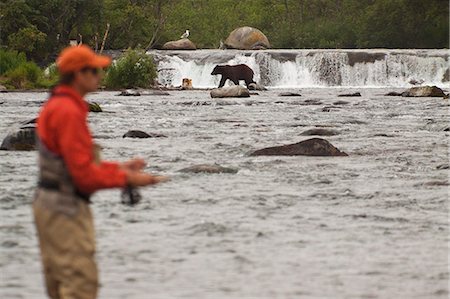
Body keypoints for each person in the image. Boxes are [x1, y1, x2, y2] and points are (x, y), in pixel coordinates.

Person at [33, 45, 168, 299]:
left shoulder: (58, 104)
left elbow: (75, 163)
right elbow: (82, 176)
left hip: (51, 205)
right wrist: (128, 178)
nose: (100, 75)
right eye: (95, 70)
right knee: (79, 288)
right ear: (79, 75)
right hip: (65, 210)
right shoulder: (68, 112)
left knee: (60, 289)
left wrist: (119, 167)